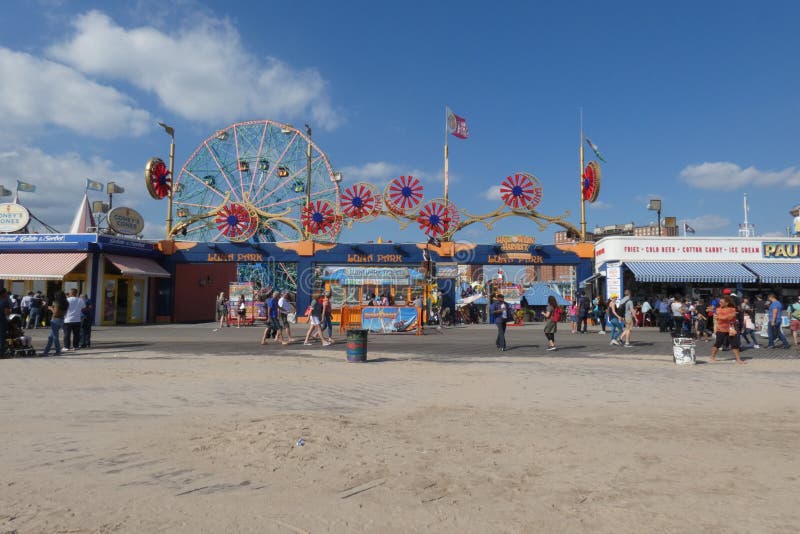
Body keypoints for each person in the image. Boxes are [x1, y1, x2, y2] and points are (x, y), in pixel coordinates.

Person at [709, 295, 746, 364]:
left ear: (727, 303)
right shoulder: (718, 309)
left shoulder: (732, 309)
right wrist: (722, 317)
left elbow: (728, 318)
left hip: (731, 329)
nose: (720, 303)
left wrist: (720, 317)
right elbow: (722, 317)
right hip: (721, 329)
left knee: (734, 344)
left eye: (721, 302)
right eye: (719, 302)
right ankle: (712, 357)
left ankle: (738, 359)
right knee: (718, 343)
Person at [42, 291, 68, 356]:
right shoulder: (66, 303)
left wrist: (51, 308)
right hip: (61, 319)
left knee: (55, 336)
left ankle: (58, 351)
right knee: (51, 337)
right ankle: (46, 351)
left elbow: (55, 312)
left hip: (55, 319)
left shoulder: (56, 303)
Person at [0, 288, 10, 357]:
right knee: (1, 337)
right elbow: (7, 312)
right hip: (1, 321)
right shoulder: (5, 301)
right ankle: (1, 354)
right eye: (6, 293)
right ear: (3, 294)